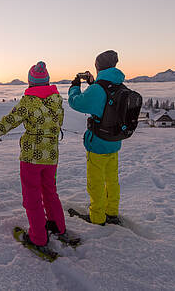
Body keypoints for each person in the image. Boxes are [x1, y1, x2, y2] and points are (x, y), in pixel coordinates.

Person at [0, 61, 66, 250]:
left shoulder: (28, 102)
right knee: (50, 191)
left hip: (31, 157)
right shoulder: (57, 100)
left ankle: (38, 238)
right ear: (47, 80)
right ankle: (58, 226)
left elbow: (8, 122)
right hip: (51, 154)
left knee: (32, 196)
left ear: (30, 82)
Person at [68, 50, 125, 226]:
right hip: (114, 142)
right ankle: (112, 212)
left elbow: (76, 102)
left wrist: (75, 86)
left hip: (98, 143)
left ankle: (98, 217)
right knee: (112, 180)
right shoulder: (119, 86)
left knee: (96, 183)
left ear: (98, 66)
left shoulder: (98, 89)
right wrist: (94, 83)